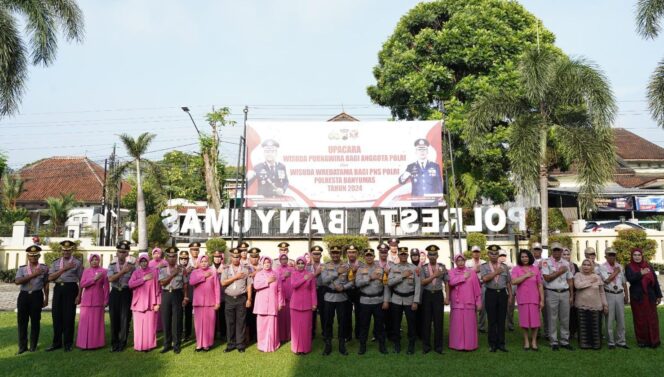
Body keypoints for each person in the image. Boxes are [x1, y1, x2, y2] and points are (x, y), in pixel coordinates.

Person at [47, 240, 83, 352]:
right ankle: (56, 343)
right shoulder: (55, 263)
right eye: (64, 250)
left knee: (69, 316)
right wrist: (64, 268)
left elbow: (81, 280)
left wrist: (79, 295)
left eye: (68, 250)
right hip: (58, 289)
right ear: (61, 250)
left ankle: (68, 343)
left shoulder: (77, 263)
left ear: (72, 250)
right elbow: (50, 278)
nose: (66, 252)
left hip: (71, 289)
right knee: (56, 316)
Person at [15, 245, 49, 354]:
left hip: (37, 296)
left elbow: (46, 284)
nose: (33, 258)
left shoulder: (44, 268)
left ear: (39, 256)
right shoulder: (22, 268)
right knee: (22, 321)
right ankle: (22, 346)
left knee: (35, 321)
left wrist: (46, 298)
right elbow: (17, 281)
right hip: (24, 296)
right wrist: (34, 274)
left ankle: (33, 346)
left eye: (35, 256)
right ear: (28, 257)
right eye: (30, 256)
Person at [355, 248, 389, 355]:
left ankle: (382, 345)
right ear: (364, 257)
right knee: (364, 325)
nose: (369, 257)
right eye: (367, 255)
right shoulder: (360, 269)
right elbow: (357, 283)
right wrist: (370, 277)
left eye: (371, 255)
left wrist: (386, 300)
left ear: (374, 257)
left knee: (380, 325)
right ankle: (362, 346)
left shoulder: (381, 269)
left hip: (378, 301)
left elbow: (386, 286)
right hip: (365, 301)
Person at [625, 248, 662, 348]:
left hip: (650, 296)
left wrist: (659, 295)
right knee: (640, 319)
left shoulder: (648, 266)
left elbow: (655, 281)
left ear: (642, 256)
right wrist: (641, 273)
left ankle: (654, 340)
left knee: (652, 318)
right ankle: (642, 341)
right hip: (638, 297)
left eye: (639, 255)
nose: (637, 257)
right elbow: (630, 279)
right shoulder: (629, 267)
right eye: (635, 255)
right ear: (632, 256)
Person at [541, 242, 574, 351]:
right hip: (552, 292)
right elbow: (547, 278)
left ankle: (565, 341)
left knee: (565, 318)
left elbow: (569, 279)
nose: (556, 252)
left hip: (564, 292)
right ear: (551, 251)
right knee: (552, 317)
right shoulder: (546, 262)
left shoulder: (566, 263)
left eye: (558, 250)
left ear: (561, 251)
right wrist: (560, 272)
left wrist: (571, 294)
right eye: (554, 250)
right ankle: (553, 341)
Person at [388, 246, 421, 354]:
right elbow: (389, 283)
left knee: (411, 323)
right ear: (398, 256)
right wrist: (402, 276)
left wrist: (416, 301)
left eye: (405, 254)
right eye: (401, 254)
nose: (403, 256)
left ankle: (411, 345)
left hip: (410, 299)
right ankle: (397, 344)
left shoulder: (413, 268)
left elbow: (418, 286)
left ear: (407, 256)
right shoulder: (394, 268)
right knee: (396, 324)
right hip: (396, 299)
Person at [321, 245, 353, 356]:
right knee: (328, 321)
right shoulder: (325, 266)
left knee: (342, 322)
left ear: (340, 254)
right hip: (329, 297)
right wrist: (337, 273)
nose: (335, 255)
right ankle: (328, 344)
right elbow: (324, 281)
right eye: (333, 253)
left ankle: (341, 344)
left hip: (342, 297)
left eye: (337, 253)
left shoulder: (346, 266)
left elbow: (351, 281)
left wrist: (344, 287)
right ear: (330, 254)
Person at [480, 245, 512, 352]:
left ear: (498, 255)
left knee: (502, 319)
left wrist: (510, 295)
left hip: (502, 293)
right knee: (492, 319)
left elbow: (508, 282)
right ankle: (492, 344)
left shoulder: (505, 266)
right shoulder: (484, 266)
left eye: (496, 253)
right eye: (491, 253)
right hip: (490, 293)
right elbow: (484, 278)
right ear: (488, 254)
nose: (494, 256)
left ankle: (501, 343)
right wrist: (496, 272)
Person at [511, 249, 544, 351]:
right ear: (519, 258)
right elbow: (514, 281)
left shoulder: (535, 269)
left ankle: (533, 341)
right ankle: (526, 341)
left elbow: (540, 285)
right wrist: (526, 275)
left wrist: (542, 300)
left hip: (534, 298)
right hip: (523, 299)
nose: (524, 258)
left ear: (530, 257)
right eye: (522, 257)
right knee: (524, 322)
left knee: (535, 321)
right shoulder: (516, 269)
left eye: (526, 256)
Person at [221, 249, 253, 353]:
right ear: (231, 257)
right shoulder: (226, 269)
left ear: (240, 258)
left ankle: (240, 345)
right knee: (230, 322)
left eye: (237, 256)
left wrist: (249, 298)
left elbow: (249, 285)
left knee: (241, 322)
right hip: (229, 299)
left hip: (241, 298)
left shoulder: (245, 269)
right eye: (234, 256)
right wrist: (236, 277)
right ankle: (230, 344)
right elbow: (223, 283)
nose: (236, 258)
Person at [448, 254, 482, 351]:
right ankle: (456, 345)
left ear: (465, 261)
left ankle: (470, 345)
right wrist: (463, 277)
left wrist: (478, 302)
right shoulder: (451, 272)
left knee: (469, 325)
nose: (460, 262)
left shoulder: (472, 273)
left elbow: (477, 289)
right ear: (455, 262)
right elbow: (451, 282)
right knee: (457, 326)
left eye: (462, 260)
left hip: (469, 302)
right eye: (458, 260)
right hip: (457, 304)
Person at [420, 245, 449, 354]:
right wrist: (434, 276)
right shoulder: (424, 268)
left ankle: (438, 347)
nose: (432, 256)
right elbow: (422, 282)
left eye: (434, 254)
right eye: (430, 254)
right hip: (427, 295)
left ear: (437, 256)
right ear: (427, 256)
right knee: (426, 321)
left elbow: (446, 282)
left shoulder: (442, 267)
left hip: (438, 295)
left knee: (439, 321)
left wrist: (447, 297)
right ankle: (426, 347)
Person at [128, 253, 161, 352]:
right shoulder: (136, 273)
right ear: (139, 262)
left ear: (148, 261)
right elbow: (130, 284)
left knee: (150, 325)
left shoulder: (154, 272)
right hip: (138, 303)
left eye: (145, 261)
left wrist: (158, 303)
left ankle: (149, 345)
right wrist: (143, 279)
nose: (143, 263)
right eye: (141, 261)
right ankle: (138, 345)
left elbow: (158, 289)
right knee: (138, 326)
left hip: (151, 303)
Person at [76, 253, 109, 350]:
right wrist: (93, 279)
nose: (94, 261)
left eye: (96, 260)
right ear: (90, 261)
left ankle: (96, 344)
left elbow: (106, 287)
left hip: (98, 300)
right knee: (84, 322)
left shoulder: (104, 271)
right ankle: (83, 344)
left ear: (99, 261)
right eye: (92, 260)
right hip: (86, 301)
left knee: (96, 323)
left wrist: (106, 300)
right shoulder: (86, 271)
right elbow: (82, 284)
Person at [158, 246, 188, 354]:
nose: (172, 258)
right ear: (166, 257)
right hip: (166, 294)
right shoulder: (162, 269)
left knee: (177, 321)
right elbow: (162, 283)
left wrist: (185, 296)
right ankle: (167, 344)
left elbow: (185, 284)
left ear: (176, 257)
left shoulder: (182, 269)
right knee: (166, 320)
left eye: (174, 256)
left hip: (177, 294)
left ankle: (176, 345)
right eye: (170, 256)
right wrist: (173, 274)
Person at [397, 138, 443, 206]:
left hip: (432, 202)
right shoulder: (411, 166)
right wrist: (404, 176)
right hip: (417, 202)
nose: (422, 152)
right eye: (419, 149)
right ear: (416, 152)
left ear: (427, 151)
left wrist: (440, 195)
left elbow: (439, 183)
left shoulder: (435, 166)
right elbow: (401, 181)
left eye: (424, 149)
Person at [574, 259, 608, 349]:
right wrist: (590, 281)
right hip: (581, 305)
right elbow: (578, 286)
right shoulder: (578, 275)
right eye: (584, 264)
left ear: (592, 267)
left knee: (595, 325)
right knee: (583, 325)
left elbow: (602, 292)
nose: (586, 266)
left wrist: (605, 304)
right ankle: (584, 344)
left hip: (596, 305)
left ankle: (595, 344)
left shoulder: (597, 276)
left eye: (588, 265)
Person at [189, 255, 221, 352]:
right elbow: (191, 282)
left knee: (209, 324)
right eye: (201, 261)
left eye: (205, 261)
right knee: (199, 324)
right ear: (198, 262)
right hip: (198, 303)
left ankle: (207, 344)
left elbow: (217, 288)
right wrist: (204, 276)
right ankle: (199, 344)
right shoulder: (195, 272)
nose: (203, 263)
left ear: (208, 262)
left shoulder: (213, 272)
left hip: (210, 302)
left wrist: (217, 302)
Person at [107, 241, 134, 352]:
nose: (121, 254)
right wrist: (122, 272)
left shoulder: (132, 267)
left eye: (124, 252)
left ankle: (122, 343)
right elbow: (110, 279)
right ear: (117, 253)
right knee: (114, 318)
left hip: (126, 293)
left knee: (125, 318)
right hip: (115, 293)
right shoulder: (112, 265)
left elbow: (134, 280)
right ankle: (114, 343)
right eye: (119, 252)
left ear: (127, 254)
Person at [599, 247, 629, 349]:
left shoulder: (620, 266)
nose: (612, 256)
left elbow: (624, 283)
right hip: (609, 294)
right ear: (605, 256)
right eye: (609, 254)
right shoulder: (602, 267)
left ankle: (621, 341)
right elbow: (606, 281)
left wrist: (626, 295)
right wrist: (616, 272)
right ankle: (611, 342)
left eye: (613, 254)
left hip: (620, 294)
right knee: (609, 319)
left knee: (621, 319)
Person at [253, 256, 284, 352]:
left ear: (271, 263)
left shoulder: (276, 274)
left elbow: (280, 290)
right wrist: (267, 281)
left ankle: (272, 344)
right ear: (262, 264)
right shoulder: (258, 274)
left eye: (268, 262)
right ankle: (262, 345)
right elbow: (256, 286)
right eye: (265, 262)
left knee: (272, 326)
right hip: (261, 304)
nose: (267, 264)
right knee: (261, 326)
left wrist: (280, 303)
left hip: (272, 304)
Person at [290, 256, 317, 355]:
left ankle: (305, 348)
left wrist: (314, 303)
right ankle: (296, 348)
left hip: (307, 304)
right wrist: (303, 279)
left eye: (302, 263)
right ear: (296, 265)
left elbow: (313, 290)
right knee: (296, 328)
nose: (300, 265)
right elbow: (293, 285)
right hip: (295, 305)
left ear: (305, 264)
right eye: (299, 263)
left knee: (306, 327)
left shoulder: (310, 275)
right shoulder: (293, 274)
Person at [466, 245, 487, 333]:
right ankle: (472, 325)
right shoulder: (467, 262)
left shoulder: (484, 262)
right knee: (471, 306)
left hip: (482, 285)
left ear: (480, 253)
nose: (476, 253)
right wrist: (475, 270)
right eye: (474, 252)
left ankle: (481, 327)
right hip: (471, 287)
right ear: (472, 253)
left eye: (477, 252)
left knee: (482, 307)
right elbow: (466, 274)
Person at [184, 241, 201, 341]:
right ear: (190, 251)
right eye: (193, 250)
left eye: (196, 250)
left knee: (199, 315)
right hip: (189, 292)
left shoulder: (202, 261)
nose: (195, 251)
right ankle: (187, 334)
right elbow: (181, 275)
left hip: (199, 293)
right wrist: (187, 271)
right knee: (188, 315)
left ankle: (198, 333)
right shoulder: (186, 262)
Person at [377, 242, 394, 342]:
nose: (383, 254)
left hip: (389, 291)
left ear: (387, 253)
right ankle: (377, 334)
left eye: (385, 252)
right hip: (377, 291)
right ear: (379, 253)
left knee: (389, 315)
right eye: (381, 252)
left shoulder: (391, 265)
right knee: (378, 315)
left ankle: (390, 334)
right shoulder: (374, 264)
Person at [344, 245, 362, 342]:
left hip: (359, 291)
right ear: (347, 254)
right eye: (349, 252)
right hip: (347, 291)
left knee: (359, 314)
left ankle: (358, 334)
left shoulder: (362, 265)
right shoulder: (343, 265)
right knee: (347, 314)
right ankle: (348, 335)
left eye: (353, 252)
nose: (351, 254)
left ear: (357, 254)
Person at [275, 253, 293, 343]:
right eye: (282, 259)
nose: (284, 260)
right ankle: (281, 336)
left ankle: (289, 336)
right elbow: (275, 281)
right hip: (281, 297)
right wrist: (283, 276)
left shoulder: (292, 269)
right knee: (281, 318)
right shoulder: (277, 270)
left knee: (289, 318)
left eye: (285, 258)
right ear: (279, 260)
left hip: (290, 297)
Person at [562, 247, 580, 339]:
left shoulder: (575, 266)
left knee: (574, 312)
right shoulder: (560, 266)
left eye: (567, 254)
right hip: (564, 292)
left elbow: (577, 278)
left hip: (575, 292)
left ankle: (575, 331)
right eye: (564, 254)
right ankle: (567, 332)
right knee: (566, 313)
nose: (566, 256)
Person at [308, 245, 325, 339]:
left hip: (322, 291)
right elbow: (305, 280)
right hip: (310, 292)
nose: (316, 256)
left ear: (321, 255)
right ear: (311, 255)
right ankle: (311, 333)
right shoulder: (306, 267)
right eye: (314, 254)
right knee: (311, 313)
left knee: (324, 313)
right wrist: (316, 273)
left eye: (318, 254)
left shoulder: (325, 266)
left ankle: (324, 333)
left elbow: (327, 280)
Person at [246, 247, 261, 343]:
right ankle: (249, 335)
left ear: (259, 257)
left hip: (259, 294)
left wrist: (257, 271)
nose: (254, 259)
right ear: (249, 257)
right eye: (252, 257)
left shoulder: (263, 266)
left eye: (256, 257)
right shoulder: (246, 266)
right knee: (248, 315)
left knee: (258, 315)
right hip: (249, 293)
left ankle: (257, 335)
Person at [499, 250, 516, 331]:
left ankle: (510, 325)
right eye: (501, 255)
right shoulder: (496, 265)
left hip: (510, 288)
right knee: (500, 309)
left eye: (504, 255)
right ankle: (501, 325)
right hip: (500, 288)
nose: (502, 257)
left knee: (510, 308)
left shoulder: (510, 265)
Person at [211, 250, 226, 342]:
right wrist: (216, 272)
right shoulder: (209, 268)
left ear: (221, 258)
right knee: (213, 316)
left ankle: (223, 334)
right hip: (212, 296)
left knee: (222, 316)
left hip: (223, 295)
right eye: (215, 257)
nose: (217, 259)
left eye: (219, 257)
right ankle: (213, 333)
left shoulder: (225, 267)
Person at [410, 248, 424, 340]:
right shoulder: (409, 266)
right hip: (412, 294)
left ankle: (421, 333)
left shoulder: (424, 266)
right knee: (412, 316)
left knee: (421, 315)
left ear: (419, 257)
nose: (415, 257)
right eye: (413, 255)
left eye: (416, 255)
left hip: (422, 294)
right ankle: (413, 333)